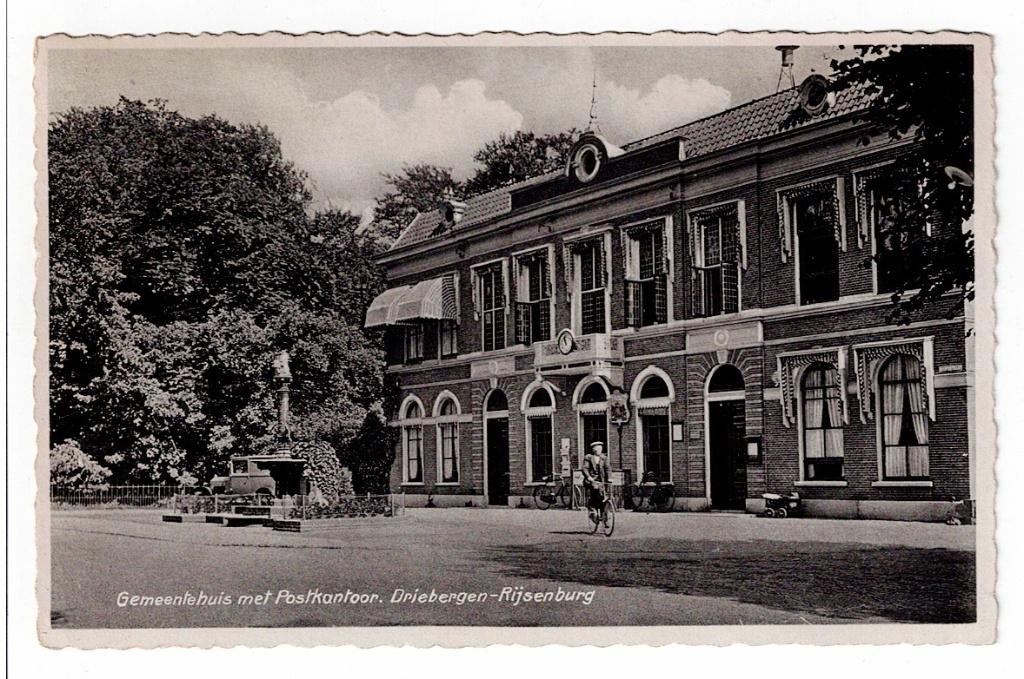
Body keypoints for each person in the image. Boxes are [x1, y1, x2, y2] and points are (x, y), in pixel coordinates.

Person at [581, 441, 610, 525]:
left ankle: (605, 519)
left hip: (601, 481)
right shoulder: (588, 457)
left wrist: (610, 478)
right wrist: (588, 477)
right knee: (594, 497)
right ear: (593, 450)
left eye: (600, 449)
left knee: (604, 499)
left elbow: (608, 469)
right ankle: (592, 513)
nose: (599, 450)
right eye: (597, 449)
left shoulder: (604, 458)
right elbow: (585, 468)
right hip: (591, 481)